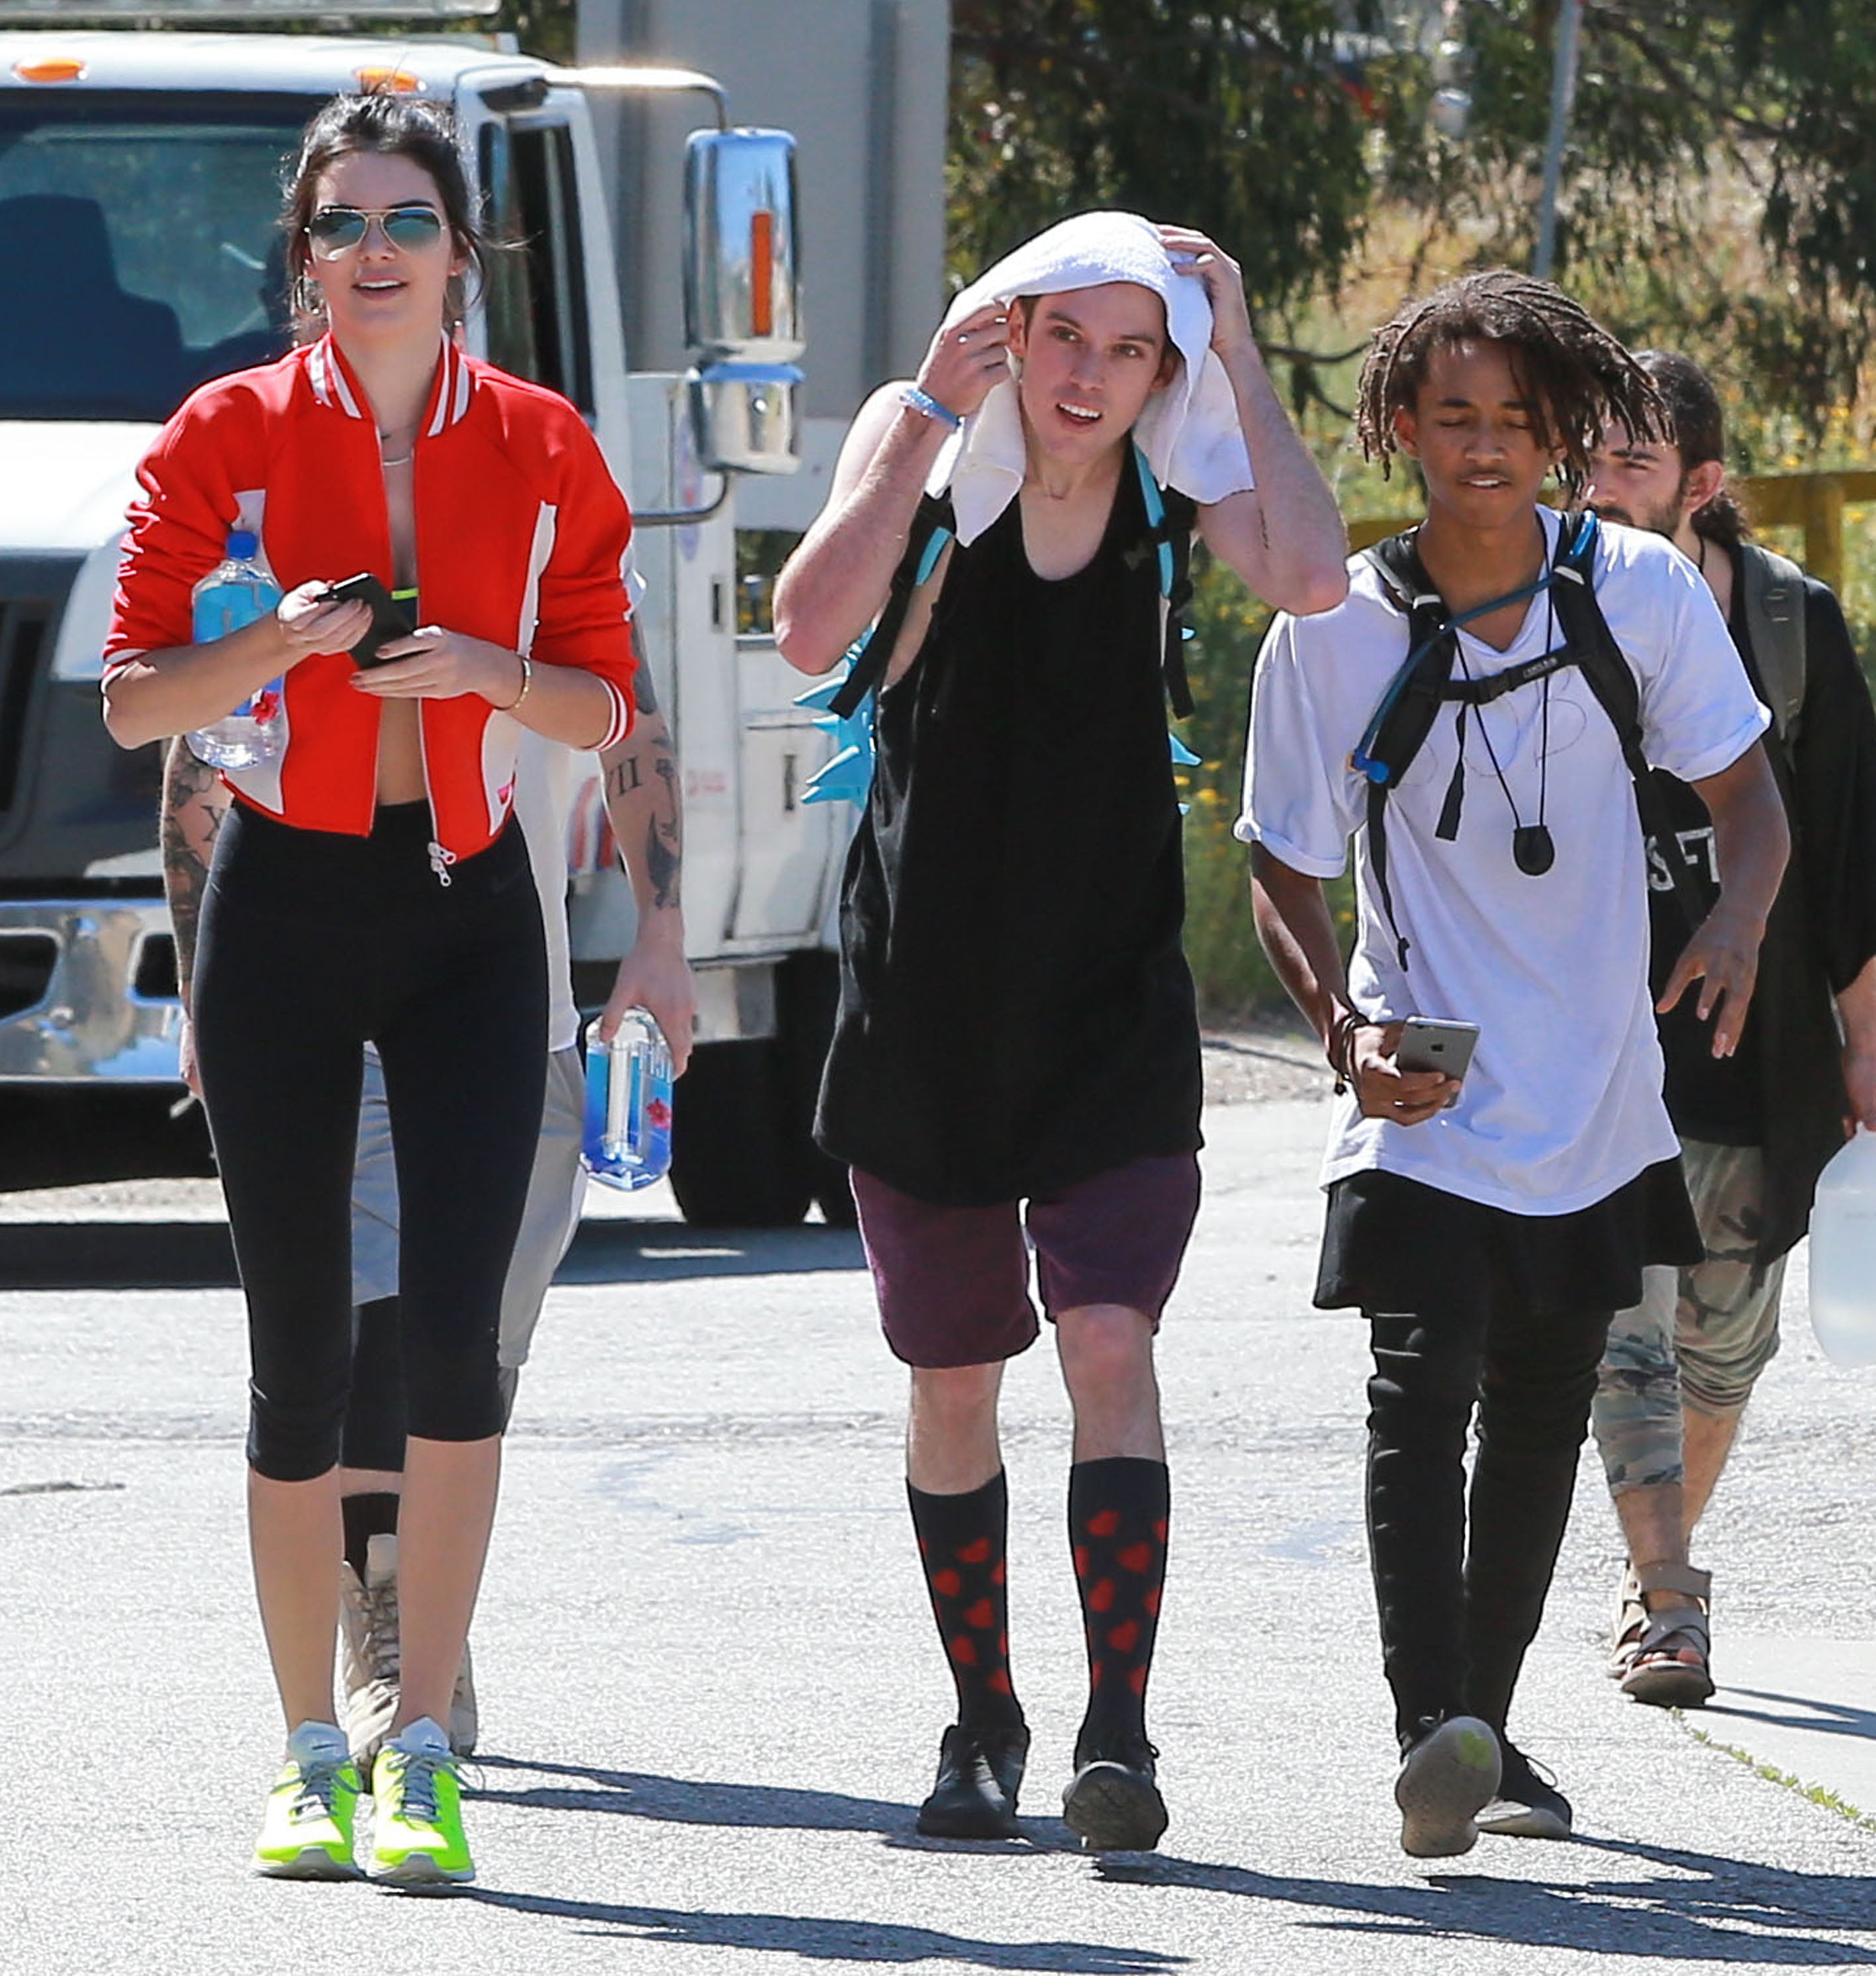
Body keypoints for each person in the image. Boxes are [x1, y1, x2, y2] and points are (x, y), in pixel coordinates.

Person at [101, 91, 637, 1886]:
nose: (376, 252)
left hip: (471, 914)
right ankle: (305, 1750)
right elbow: (135, 703)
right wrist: (282, 640)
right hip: (283, 911)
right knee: (298, 1356)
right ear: (306, 255)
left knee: (456, 1351)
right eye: (342, 226)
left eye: (407, 221)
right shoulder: (225, 432)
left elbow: (604, 703)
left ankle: (422, 1752)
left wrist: (480, 665)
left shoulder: (541, 443)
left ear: (459, 254)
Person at [774, 210, 1348, 1852]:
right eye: (1065, 337)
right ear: (1006, 330)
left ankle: (1118, 1729)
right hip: (924, 1001)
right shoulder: (920, 438)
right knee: (953, 1378)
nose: (1093, 376)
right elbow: (809, 633)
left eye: (1132, 347)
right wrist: (925, 436)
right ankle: (982, 1720)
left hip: (1108, 998)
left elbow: (1309, 575)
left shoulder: (1177, 477)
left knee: (1109, 1339)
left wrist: (1235, 353)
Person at [1240, 272, 1787, 1857]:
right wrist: (1341, 1037)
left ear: (1560, 435)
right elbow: (1282, 863)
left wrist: (1739, 926)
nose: (1484, 447)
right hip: (1422, 1092)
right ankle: (1434, 1726)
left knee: (1545, 1400)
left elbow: (1749, 803)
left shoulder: (1633, 590)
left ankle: (1479, 1728)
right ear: (1399, 427)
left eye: (1515, 421)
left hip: (1598, 1088)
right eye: (1453, 417)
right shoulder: (1334, 627)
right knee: (1420, 1388)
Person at [161, 673, 694, 1774]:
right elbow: (199, 751)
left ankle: (425, 1613)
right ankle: (391, 1646)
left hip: (509, 1001)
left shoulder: (552, 510)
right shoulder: (296, 511)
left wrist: (660, 934)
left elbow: (627, 722)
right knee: (368, 1332)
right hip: (318, 985)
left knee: (472, 1348)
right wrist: (198, 981)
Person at [1581, 350, 1876, 1707]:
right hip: (1595, 1045)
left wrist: (1865, 1040)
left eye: (1630, 463)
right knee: (1623, 1337)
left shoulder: (1787, 625)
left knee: (1718, 1348)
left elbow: (1849, 858)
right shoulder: (1538, 605)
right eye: (1582, 456)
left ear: (1702, 485)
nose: (1596, 484)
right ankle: (1666, 1601)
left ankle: (1659, 1561)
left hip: (1756, 1057)